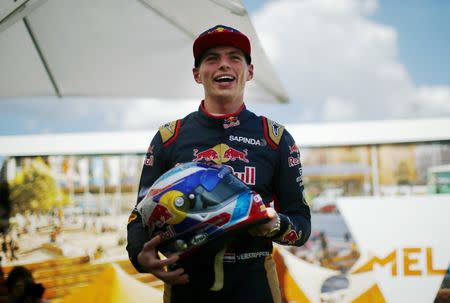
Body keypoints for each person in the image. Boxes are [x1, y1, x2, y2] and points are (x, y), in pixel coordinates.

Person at [127, 24, 311, 303]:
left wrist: (275, 225)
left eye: (234, 57)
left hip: (255, 286)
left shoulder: (276, 138)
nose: (223, 64)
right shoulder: (169, 137)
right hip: (186, 285)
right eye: (212, 58)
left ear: (249, 72)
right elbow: (140, 215)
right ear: (197, 74)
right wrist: (139, 255)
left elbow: (301, 223)